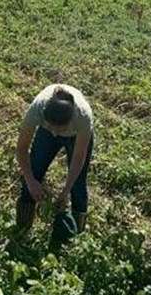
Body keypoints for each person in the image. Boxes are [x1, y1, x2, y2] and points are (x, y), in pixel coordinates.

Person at [15, 84, 94, 234]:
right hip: (46, 132)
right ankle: (22, 231)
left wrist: (66, 191)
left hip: (75, 136)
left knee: (78, 183)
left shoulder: (83, 117)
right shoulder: (37, 109)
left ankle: (76, 235)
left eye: (60, 130)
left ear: (71, 121)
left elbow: (78, 158)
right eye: (51, 127)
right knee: (33, 171)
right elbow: (21, 149)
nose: (56, 133)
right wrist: (31, 181)